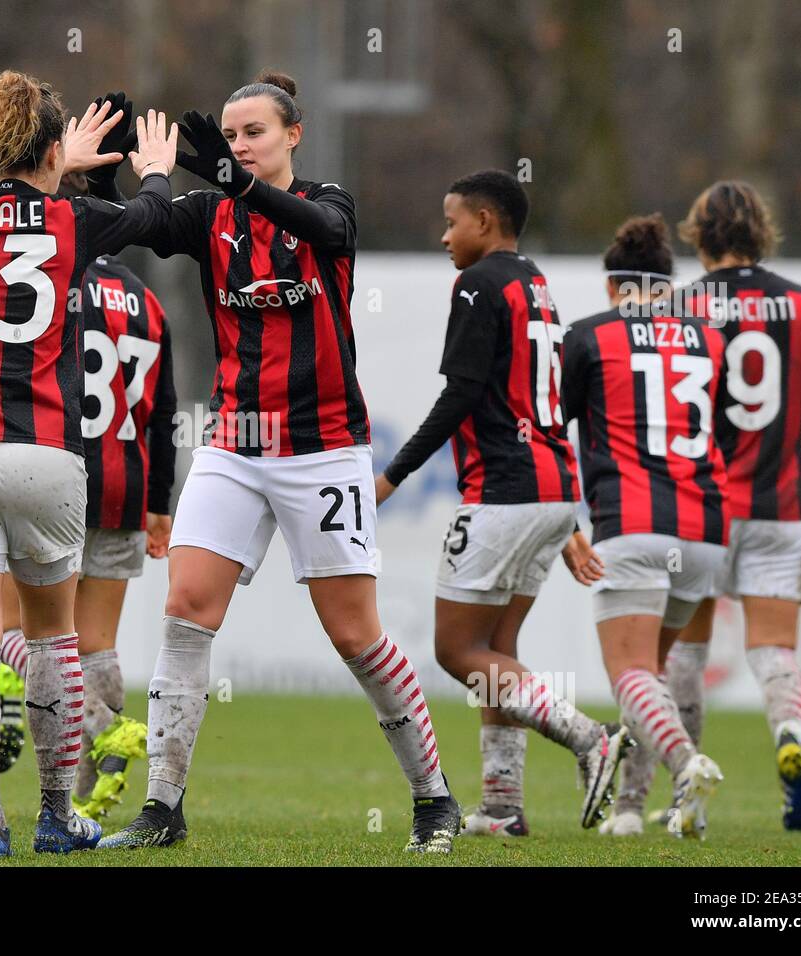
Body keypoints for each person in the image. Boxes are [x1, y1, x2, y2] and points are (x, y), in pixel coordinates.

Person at [99, 71, 463, 854]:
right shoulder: (211, 214)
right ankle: (163, 809)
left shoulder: (330, 203)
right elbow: (142, 224)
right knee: (186, 609)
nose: (239, 148)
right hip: (235, 442)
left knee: (355, 636)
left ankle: (433, 797)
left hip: (323, 449)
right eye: (230, 137)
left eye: (254, 132)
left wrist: (240, 184)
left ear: (293, 134)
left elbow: (322, 231)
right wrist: (102, 171)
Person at [0, 72, 178, 856]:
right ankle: (57, 813)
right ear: (55, 150)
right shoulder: (72, 219)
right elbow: (152, 216)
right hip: (45, 455)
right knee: (53, 641)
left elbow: (13, 210)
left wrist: (54, 163)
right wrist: (156, 167)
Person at [376, 169, 631, 836]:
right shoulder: (533, 282)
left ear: (485, 223)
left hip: (503, 491)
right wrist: (567, 519)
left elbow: (459, 396)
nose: (443, 235)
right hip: (550, 487)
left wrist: (390, 476)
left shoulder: (478, 284)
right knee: (498, 646)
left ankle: (590, 738)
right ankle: (501, 803)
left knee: (458, 652)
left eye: (452, 220)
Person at [666, 182, 801, 831]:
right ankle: (788, 740)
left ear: (702, 235)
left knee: (686, 655)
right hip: (781, 506)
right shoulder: (800, 304)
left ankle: (687, 788)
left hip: (705, 507)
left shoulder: (683, 304)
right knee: (774, 650)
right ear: (761, 230)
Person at [0, 169, 178, 823]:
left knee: (11, 628)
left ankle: (99, 726)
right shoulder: (146, 301)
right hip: (126, 482)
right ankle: (87, 795)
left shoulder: (54, 281)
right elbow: (166, 414)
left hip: (61, 471)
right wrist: (160, 502)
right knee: (96, 642)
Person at [558, 214, 730, 838]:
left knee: (630, 675)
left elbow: (550, 433)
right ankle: (631, 809)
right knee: (648, 681)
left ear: (614, 288)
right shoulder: (711, 340)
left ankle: (688, 767)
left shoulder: (587, 337)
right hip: (706, 531)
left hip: (633, 523)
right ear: (670, 288)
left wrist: (562, 523)